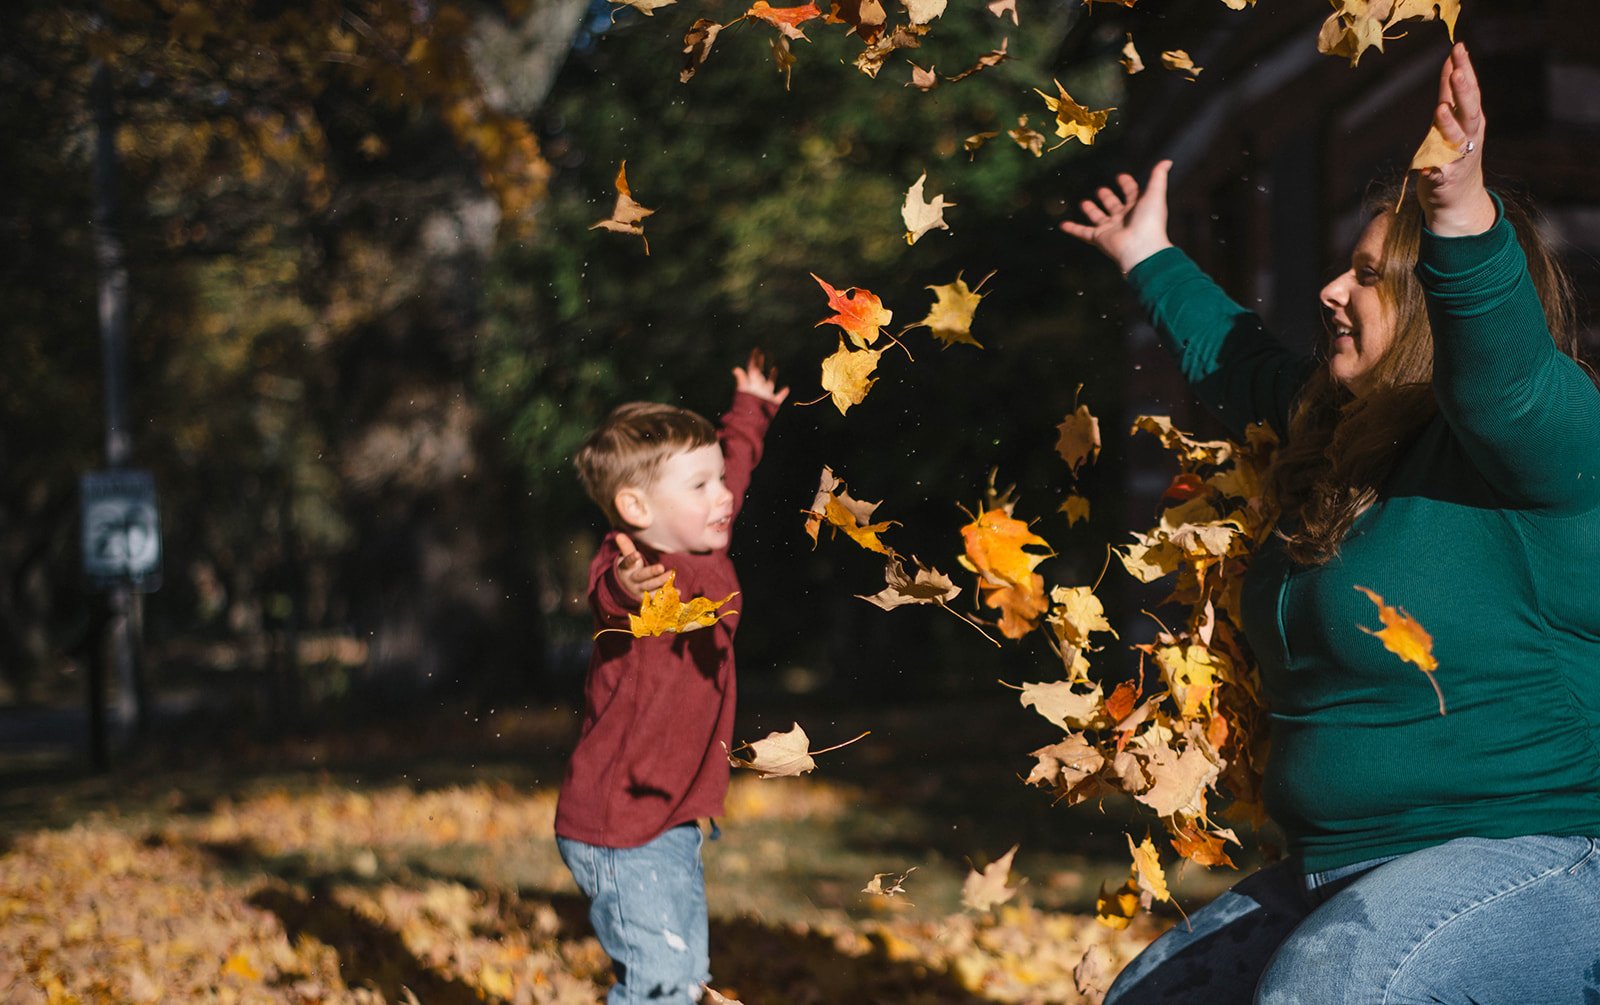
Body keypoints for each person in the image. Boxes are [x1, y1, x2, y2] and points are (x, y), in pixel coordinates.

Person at [1062, 44, 1600, 1003]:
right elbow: (1238, 365)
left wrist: (1458, 213)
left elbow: (1504, 370)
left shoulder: (1544, 447)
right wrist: (1147, 252)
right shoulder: (1341, 434)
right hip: (1342, 872)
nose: (1328, 293)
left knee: (1336, 986)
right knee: (1150, 995)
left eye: (1365, 277)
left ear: (1436, 307)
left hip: (1544, 861)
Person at [555, 350, 787, 1004]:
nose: (723, 496)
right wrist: (629, 589)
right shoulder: (633, 564)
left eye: (718, 482)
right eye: (700, 486)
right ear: (634, 506)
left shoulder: (700, 539)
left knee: (682, 981)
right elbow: (610, 597)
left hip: (671, 818)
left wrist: (749, 410)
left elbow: (733, 463)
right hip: (620, 826)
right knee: (664, 986)